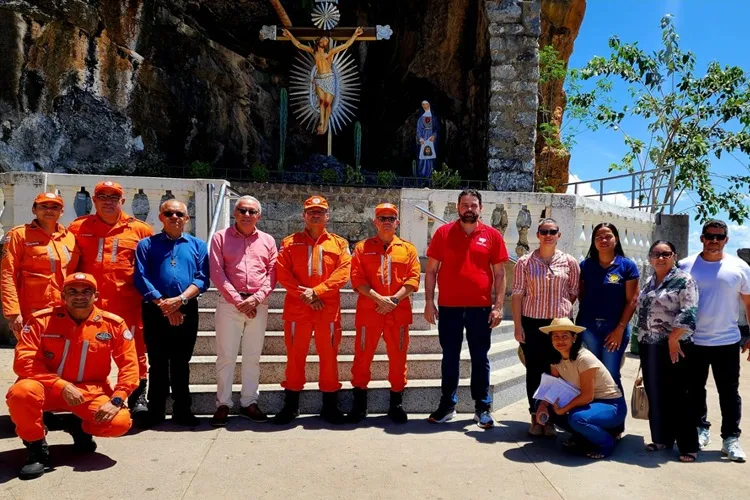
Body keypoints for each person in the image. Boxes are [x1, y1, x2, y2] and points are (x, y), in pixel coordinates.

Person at [6, 272, 138, 480]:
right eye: (73, 291)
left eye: (86, 291)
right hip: (47, 387)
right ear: (62, 295)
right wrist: (60, 385)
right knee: (21, 393)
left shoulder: (112, 324)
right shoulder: (42, 320)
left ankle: (80, 425)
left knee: (120, 422)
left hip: (90, 391)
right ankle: (36, 449)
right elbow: (24, 361)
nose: (80, 296)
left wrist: (117, 398)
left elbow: (130, 366)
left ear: (96, 295)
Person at [424, 189, 508, 428]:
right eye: (464, 205)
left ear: (480, 208)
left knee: (480, 357)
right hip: (448, 307)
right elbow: (431, 270)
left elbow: (500, 274)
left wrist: (498, 306)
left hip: (480, 308)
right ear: (458, 207)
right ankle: (447, 405)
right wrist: (429, 302)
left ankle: (482, 407)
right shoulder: (443, 233)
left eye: (473, 205)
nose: (469, 209)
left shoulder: (492, 235)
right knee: (449, 356)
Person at [68, 181, 154, 415]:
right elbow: (69, 267)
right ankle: (87, 396)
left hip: (127, 303)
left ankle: (138, 397)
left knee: (135, 351)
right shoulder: (78, 227)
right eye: (102, 196)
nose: (108, 201)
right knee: (86, 349)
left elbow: (150, 269)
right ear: (94, 201)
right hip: (88, 305)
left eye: (114, 197)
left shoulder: (140, 230)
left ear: (122, 201)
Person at [273, 196, 352, 425]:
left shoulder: (339, 244)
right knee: (295, 358)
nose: (315, 215)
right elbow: (283, 274)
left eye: (320, 211)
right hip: (298, 310)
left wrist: (316, 292)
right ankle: (291, 406)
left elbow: (342, 273)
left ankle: (330, 407)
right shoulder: (289, 242)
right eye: (311, 211)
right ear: (303, 215)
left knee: (329, 358)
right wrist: (306, 296)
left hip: (327, 310)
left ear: (328, 216)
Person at [133, 200, 209, 428]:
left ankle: (182, 410)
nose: (174, 217)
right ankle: (155, 410)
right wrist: (163, 304)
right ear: (161, 217)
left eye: (179, 213)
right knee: (157, 361)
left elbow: (202, 278)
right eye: (169, 213)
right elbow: (141, 276)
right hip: (155, 308)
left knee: (181, 361)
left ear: (187, 219)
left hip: (186, 307)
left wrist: (180, 300)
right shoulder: (146, 245)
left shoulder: (198, 245)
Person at [679, 220, 750, 462]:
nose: (714, 241)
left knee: (729, 392)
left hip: (727, 342)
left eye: (720, 237)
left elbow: (749, 304)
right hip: (693, 341)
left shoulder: (739, 267)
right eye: (710, 236)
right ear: (702, 238)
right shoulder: (685, 265)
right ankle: (701, 430)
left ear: (727, 240)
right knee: (694, 391)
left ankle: (731, 438)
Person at [348, 203, 421, 423]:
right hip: (369, 312)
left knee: (398, 360)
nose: (387, 221)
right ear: (375, 221)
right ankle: (359, 405)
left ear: (397, 222)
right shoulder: (362, 248)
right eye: (382, 217)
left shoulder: (408, 249)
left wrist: (394, 300)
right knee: (362, 358)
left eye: (391, 217)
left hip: (397, 313)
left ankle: (396, 405)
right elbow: (357, 279)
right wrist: (379, 299)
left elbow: (413, 278)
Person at [209, 196, 277, 427]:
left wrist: (256, 299)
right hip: (230, 304)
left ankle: (249, 402)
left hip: (258, 304)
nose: (247, 215)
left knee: (252, 357)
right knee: (226, 357)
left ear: (259, 215)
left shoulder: (267, 240)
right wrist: (238, 301)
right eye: (242, 210)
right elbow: (217, 272)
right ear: (234, 213)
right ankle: (223, 404)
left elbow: (272, 273)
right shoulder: (220, 237)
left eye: (251, 211)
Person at [512, 218, 580, 437]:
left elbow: (573, 291)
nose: (548, 235)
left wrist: (560, 308)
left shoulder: (570, 262)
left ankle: (550, 418)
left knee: (557, 371)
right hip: (533, 322)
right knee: (534, 370)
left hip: (559, 325)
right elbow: (517, 295)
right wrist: (517, 325)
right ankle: (535, 415)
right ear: (538, 235)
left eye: (553, 231)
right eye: (544, 231)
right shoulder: (524, 262)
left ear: (559, 235)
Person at [637, 240, 700, 462]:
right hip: (649, 345)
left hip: (676, 346)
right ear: (650, 257)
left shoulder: (684, 280)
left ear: (674, 256)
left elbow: (689, 312)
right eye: (656, 254)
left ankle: (688, 446)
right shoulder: (649, 280)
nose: (661, 258)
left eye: (666, 254)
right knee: (656, 393)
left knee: (680, 396)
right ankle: (661, 438)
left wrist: (673, 339)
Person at [535, 318, 627, 459]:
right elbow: (554, 385)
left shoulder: (584, 358)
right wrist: (543, 404)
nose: (560, 340)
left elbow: (587, 396)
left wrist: (563, 409)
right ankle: (582, 437)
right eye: (556, 336)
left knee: (577, 418)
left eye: (565, 336)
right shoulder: (555, 359)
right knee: (542, 405)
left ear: (574, 338)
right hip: (588, 404)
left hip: (611, 405)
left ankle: (607, 443)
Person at [2, 192, 79, 339]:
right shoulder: (19, 235)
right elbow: (7, 274)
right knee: (30, 357)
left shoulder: (69, 237)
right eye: (43, 206)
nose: (49, 210)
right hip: (32, 311)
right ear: (34, 210)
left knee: (63, 357)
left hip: (66, 310)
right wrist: (13, 312)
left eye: (54, 207)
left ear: (61, 212)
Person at [577, 223, 639, 390]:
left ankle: (615, 413)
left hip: (615, 328)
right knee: (593, 372)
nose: (603, 240)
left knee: (611, 373)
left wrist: (619, 329)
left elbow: (632, 300)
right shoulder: (585, 266)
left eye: (608, 236)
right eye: (599, 237)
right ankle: (595, 412)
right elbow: (581, 295)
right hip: (589, 327)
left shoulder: (627, 266)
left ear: (616, 239)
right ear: (594, 241)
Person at [282, 27, 364, 135]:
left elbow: (346, 45)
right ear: (319, 41)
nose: (325, 42)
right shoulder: (313, 51)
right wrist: (289, 35)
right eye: (324, 40)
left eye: (327, 41)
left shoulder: (330, 52)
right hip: (319, 78)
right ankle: (321, 122)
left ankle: (325, 125)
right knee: (321, 103)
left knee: (327, 104)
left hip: (329, 78)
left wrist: (355, 35)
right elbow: (298, 45)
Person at [416, 101, 439, 178]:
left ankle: (431, 175)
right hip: (424, 139)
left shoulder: (434, 118)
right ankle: (422, 175)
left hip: (431, 140)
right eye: (423, 105)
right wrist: (420, 138)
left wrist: (434, 136)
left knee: (431, 156)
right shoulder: (420, 119)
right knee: (423, 156)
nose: (425, 106)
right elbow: (418, 130)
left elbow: (437, 129)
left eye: (426, 104)